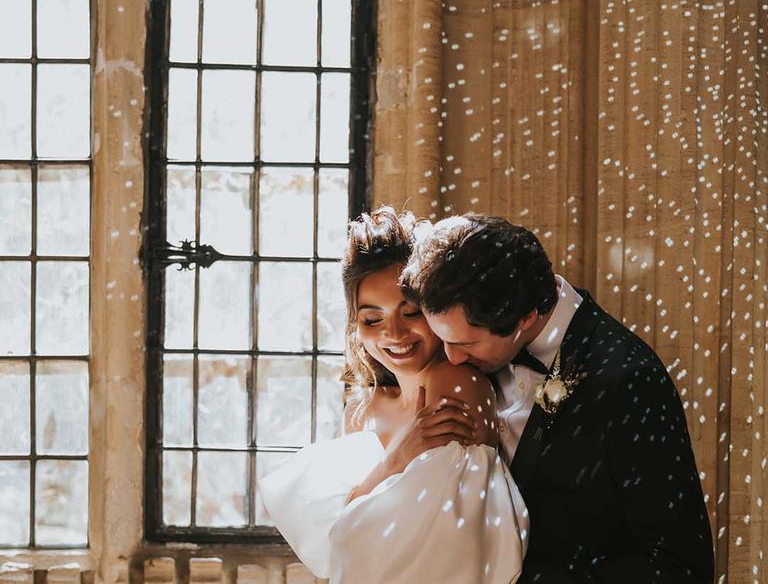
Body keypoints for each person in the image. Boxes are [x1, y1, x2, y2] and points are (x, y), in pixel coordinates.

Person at [401, 215, 714, 584]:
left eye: (466, 343)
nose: (451, 357)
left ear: (526, 317)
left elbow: (681, 566)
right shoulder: (458, 352)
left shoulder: (628, 380)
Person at [259, 207, 528, 584]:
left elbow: (450, 550)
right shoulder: (360, 409)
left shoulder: (455, 383)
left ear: (435, 310)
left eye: (411, 313)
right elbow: (339, 543)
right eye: (373, 319)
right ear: (356, 325)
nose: (395, 334)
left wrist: (364, 497)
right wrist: (396, 458)